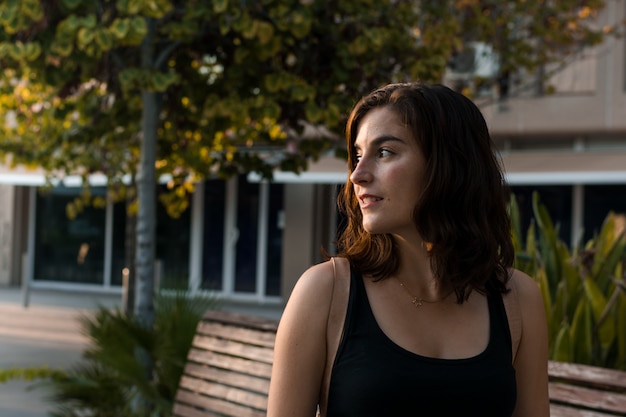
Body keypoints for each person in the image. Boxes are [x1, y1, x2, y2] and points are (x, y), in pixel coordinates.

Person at [267, 82, 549, 416]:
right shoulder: (326, 292)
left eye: (384, 152)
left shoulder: (516, 298)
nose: (358, 174)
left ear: (448, 165)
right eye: (357, 155)